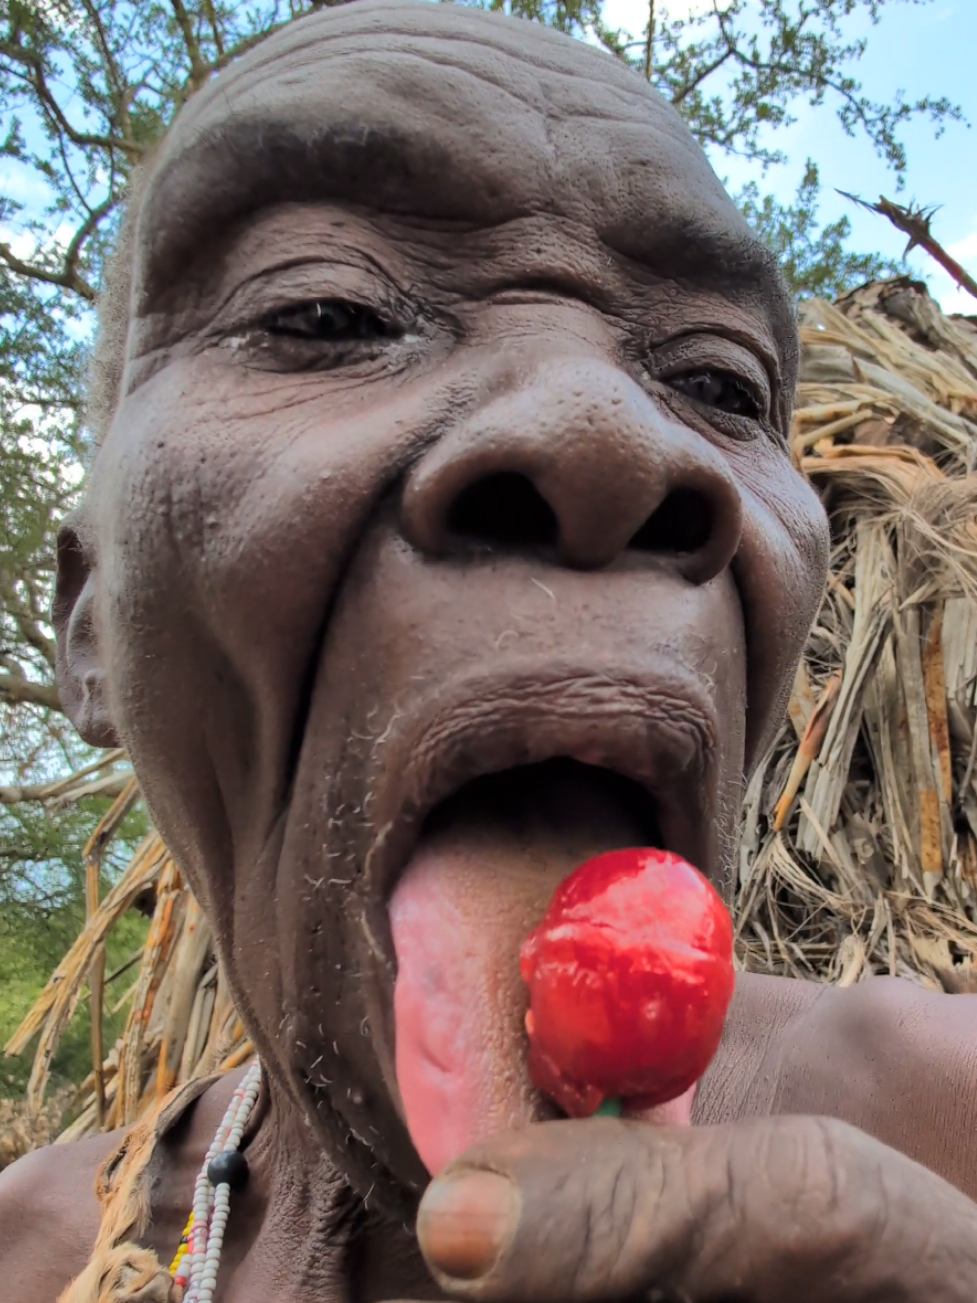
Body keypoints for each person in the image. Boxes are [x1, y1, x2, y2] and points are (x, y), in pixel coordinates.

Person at [3, 2, 977, 1300]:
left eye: (723, 382)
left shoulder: (940, 1113)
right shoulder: (36, 1252)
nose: (612, 433)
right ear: (89, 629)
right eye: (330, 309)